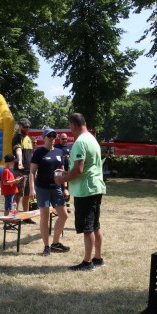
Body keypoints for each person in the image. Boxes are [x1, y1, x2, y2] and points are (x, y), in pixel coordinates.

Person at [55, 113, 105, 271]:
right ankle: (98, 258)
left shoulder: (80, 142)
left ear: (73, 125)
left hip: (86, 190)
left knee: (87, 227)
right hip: (96, 187)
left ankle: (87, 262)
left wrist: (62, 179)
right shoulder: (92, 139)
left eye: (70, 127)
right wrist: (65, 174)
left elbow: (78, 169)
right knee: (95, 225)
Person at [30, 126, 71, 256]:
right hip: (42, 188)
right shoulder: (38, 152)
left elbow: (63, 171)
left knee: (64, 215)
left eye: (54, 136)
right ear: (44, 138)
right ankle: (46, 246)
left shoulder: (59, 152)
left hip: (57, 188)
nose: (53, 138)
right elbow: (32, 172)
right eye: (50, 136)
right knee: (45, 217)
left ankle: (55, 243)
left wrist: (65, 188)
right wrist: (32, 189)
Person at [11, 117, 34, 213]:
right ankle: (14, 216)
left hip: (29, 170)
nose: (27, 128)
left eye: (28, 127)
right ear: (20, 126)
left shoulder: (29, 138)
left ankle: (26, 215)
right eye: (25, 127)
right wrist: (20, 162)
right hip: (20, 170)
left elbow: (31, 155)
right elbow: (18, 150)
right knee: (18, 194)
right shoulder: (17, 137)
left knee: (27, 195)